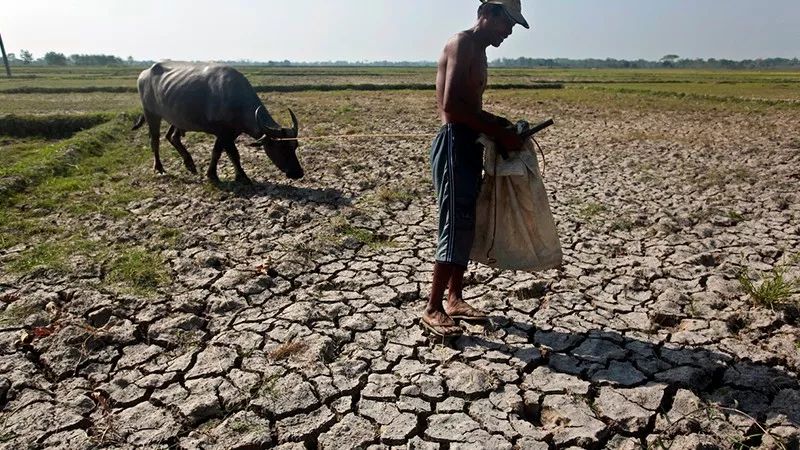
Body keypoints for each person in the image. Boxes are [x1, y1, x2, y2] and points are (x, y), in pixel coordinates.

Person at [423, 0, 531, 336]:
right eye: (507, 23)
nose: (509, 31)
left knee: (466, 223)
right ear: (487, 13)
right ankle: (433, 307)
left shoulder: (480, 51)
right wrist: (499, 132)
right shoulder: (462, 44)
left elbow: (471, 107)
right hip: (455, 143)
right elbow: (452, 106)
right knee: (455, 225)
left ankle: (455, 298)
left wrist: (502, 126)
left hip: (470, 143)